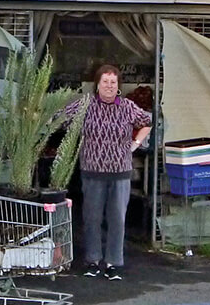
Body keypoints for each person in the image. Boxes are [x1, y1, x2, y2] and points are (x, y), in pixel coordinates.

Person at [65, 63, 152, 280]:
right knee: (92, 218)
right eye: (105, 81)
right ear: (97, 84)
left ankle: (113, 262)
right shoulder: (85, 105)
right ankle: (93, 261)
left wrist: (135, 143)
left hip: (120, 172)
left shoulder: (127, 106)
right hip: (92, 171)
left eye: (113, 82)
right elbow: (62, 117)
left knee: (117, 220)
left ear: (118, 85)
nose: (109, 86)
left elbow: (147, 122)